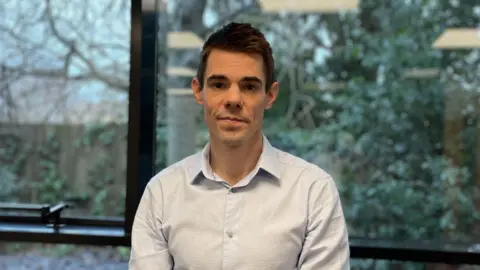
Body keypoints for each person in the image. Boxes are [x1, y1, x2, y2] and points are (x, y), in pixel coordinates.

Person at [129, 22, 350, 270]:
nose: (233, 99)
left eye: (249, 87)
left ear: (270, 95)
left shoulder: (313, 192)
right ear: (198, 91)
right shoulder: (161, 193)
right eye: (219, 84)